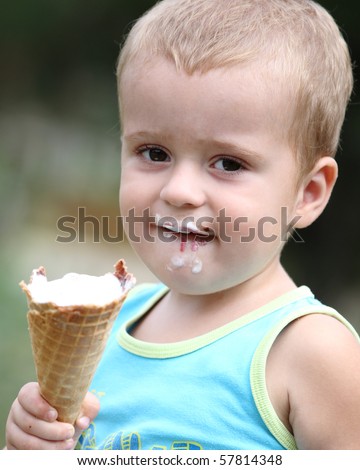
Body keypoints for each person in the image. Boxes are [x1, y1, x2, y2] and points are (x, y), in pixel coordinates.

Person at [5, 0, 360, 450]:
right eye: (154, 153)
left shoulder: (313, 353)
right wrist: (29, 450)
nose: (179, 190)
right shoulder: (106, 325)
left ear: (307, 193)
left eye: (228, 163)